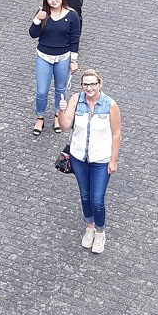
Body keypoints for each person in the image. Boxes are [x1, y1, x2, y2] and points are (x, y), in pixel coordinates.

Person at [57, 70, 121, 254]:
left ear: (100, 84)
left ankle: (100, 232)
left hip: (101, 159)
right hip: (79, 158)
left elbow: (116, 134)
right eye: (86, 84)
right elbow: (64, 125)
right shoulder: (76, 100)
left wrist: (113, 160)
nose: (89, 88)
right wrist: (61, 111)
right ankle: (90, 227)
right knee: (85, 196)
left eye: (93, 84)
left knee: (97, 199)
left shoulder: (110, 105)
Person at [29, 0, 81, 136]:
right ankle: (40, 117)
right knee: (42, 90)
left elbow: (74, 39)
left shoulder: (72, 16)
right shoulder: (43, 14)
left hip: (63, 57)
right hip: (44, 56)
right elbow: (33, 34)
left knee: (61, 89)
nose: (53, 1)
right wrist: (37, 20)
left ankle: (58, 116)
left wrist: (73, 60)